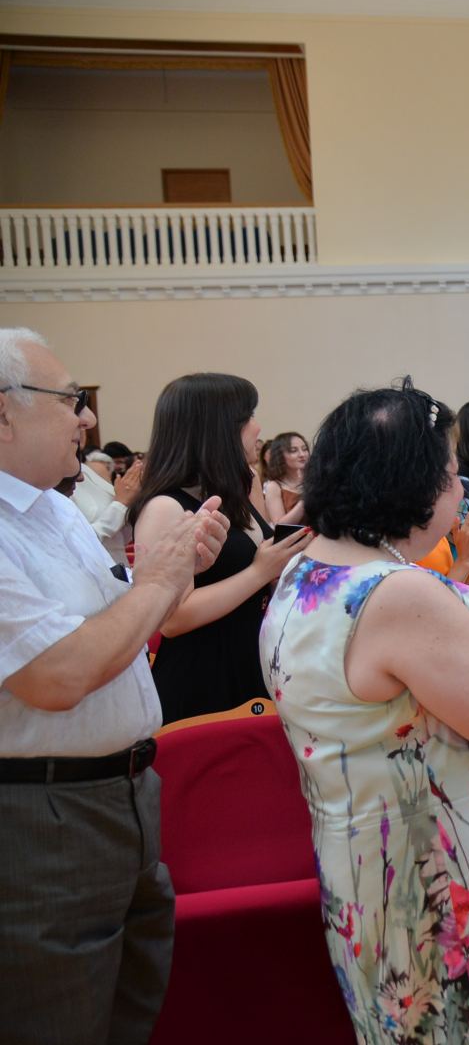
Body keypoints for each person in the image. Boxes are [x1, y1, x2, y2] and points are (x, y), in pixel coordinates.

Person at [259, 384, 469, 1043]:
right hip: (447, 890)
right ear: (410, 486)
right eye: (448, 475)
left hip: (378, 873)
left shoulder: (307, 571)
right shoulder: (394, 591)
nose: (459, 489)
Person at [1, 327, 229, 1044]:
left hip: (122, 795)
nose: (87, 418)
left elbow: (115, 625)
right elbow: (56, 674)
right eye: (69, 400)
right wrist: (160, 580)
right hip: (45, 817)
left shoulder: (56, 510)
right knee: (58, 1021)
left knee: (127, 1014)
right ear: (3, 412)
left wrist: (171, 574)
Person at [131, 373, 312, 724]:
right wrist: (260, 571)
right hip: (202, 674)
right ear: (218, 428)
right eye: (248, 417)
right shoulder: (166, 507)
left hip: (252, 656)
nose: (258, 428)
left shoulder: (244, 485)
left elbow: (263, 562)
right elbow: (171, 618)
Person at [73, 447, 143, 559]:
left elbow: (121, 540)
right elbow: (76, 543)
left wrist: (131, 502)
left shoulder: (88, 471)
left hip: (118, 565)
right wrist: (120, 505)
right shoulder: (48, 484)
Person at [259, 431, 309, 524]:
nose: (302, 454)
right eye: (293, 451)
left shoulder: (311, 479)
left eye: (305, 449)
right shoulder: (274, 486)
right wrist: (305, 500)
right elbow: (280, 525)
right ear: (280, 455)